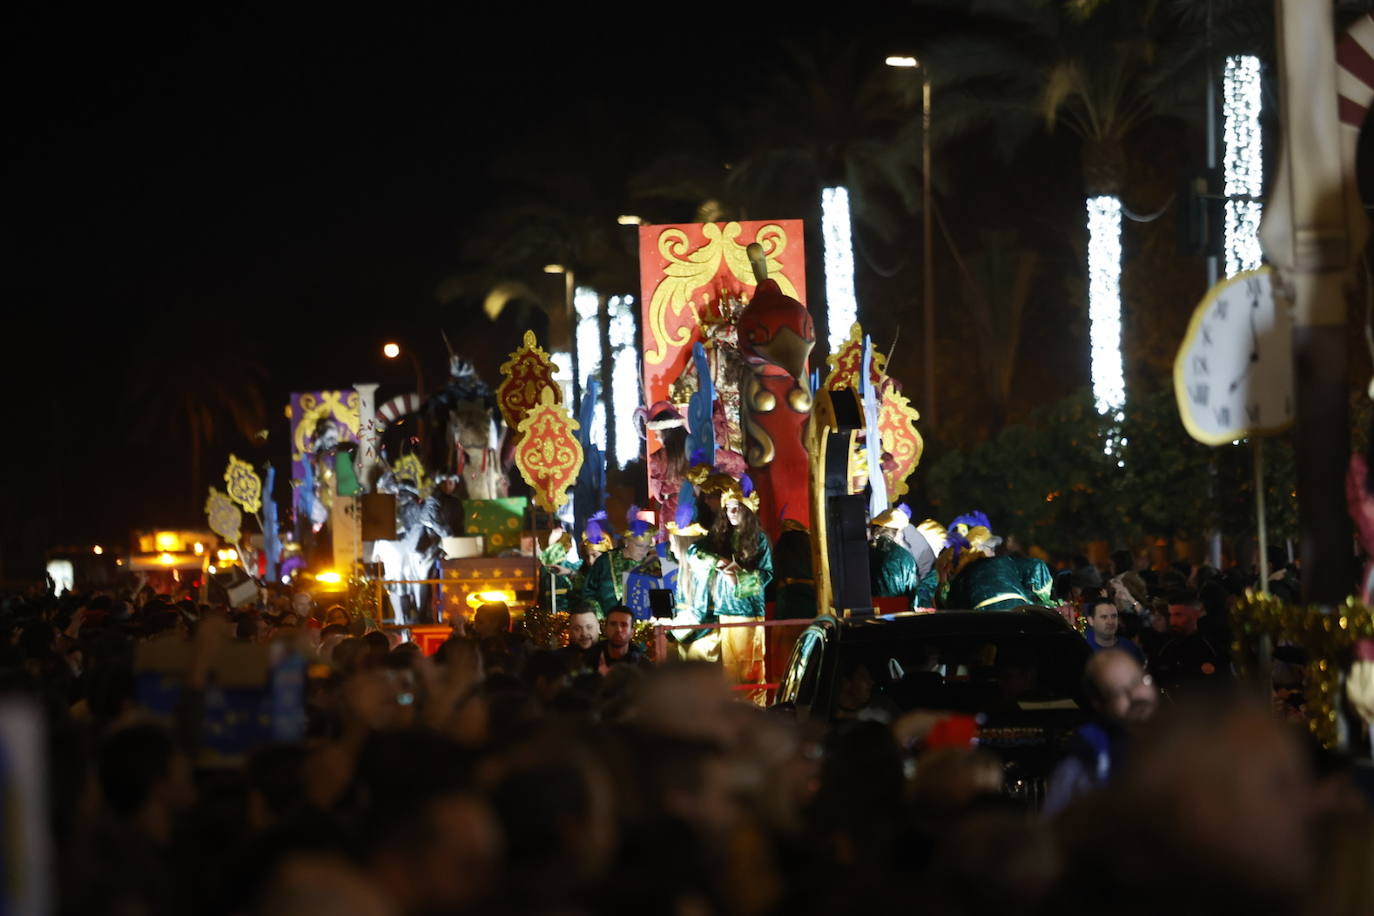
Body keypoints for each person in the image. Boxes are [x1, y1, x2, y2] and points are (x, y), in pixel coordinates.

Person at [683, 476, 772, 704]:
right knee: (730, 670)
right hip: (724, 608)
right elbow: (693, 553)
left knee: (749, 669)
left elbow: (766, 575)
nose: (732, 513)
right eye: (729, 508)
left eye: (737, 508)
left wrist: (739, 579)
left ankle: (754, 713)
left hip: (748, 609)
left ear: (747, 511)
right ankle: (733, 714)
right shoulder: (719, 538)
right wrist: (718, 561)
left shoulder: (759, 539)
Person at [1044, 648, 1157, 814]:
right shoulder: (1083, 763)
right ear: (1099, 704)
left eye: (1139, 681)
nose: (1136, 696)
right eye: (1119, 692)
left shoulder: (1186, 735)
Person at [940, 512, 1053, 611]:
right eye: (990, 548)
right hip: (1016, 611)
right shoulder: (1003, 561)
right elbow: (1038, 566)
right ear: (979, 549)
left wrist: (944, 584)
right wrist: (1045, 602)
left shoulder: (961, 576)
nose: (993, 553)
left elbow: (950, 603)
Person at [1152, 589, 1227, 696]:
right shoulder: (1165, 648)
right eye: (1171, 615)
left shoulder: (1210, 648)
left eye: (1178, 615)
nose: (1173, 621)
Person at [582, 509, 655, 616]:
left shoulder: (653, 564)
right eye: (639, 546)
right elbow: (588, 594)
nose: (643, 551)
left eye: (647, 546)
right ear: (626, 541)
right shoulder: (605, 562)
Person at [868, 506, 920, 605]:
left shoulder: (864, 551)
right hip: (895, 613)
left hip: (863, 613)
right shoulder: (905, 557)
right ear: (898, 532)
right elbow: (912, 595)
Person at [585, 605, 647, 672]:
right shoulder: (590, 657)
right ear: (605, 628)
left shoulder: (640, 662)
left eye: (624, 625)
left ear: (632, 632)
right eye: (613, 624)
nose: (618, 629)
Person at [1083, 597, 1144, 664]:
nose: (1110, 622)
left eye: (1114, 616)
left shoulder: (1131, 649)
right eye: (1104, 617)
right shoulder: (1083, 650)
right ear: (1091, 620)